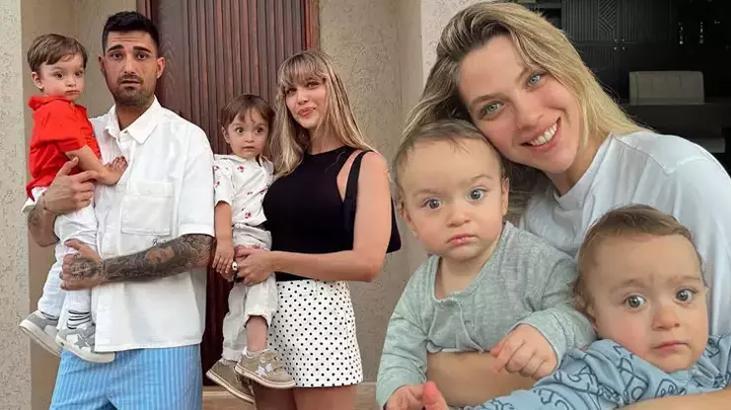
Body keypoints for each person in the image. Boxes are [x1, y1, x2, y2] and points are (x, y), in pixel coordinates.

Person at [403, 1, 731, 406]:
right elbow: (434, 366)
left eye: (535, 77)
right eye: (492, 107)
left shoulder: (679, 178)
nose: (528, 117)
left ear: (569, 66)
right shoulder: (511, 218)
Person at [25, 11, 214, 409]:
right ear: (101, 65)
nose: (129, 66)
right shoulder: (78, 134)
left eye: (141, 55)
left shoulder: (187, 141)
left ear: (158, 66)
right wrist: (49, 203)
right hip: (84, 346)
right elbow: (41, 234)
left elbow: (198, 248)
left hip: (161, 346)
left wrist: (103, 272)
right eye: (117, 54)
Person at [412, 205, 731, 410]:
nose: (668, 319)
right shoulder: (605, 369)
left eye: (684, 295)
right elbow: (540, 404)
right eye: (634, 301)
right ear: (592, 315)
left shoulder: (717, 354)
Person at [377, 120, 594, 409]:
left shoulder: (535, 262)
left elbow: (584, 313)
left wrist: (548, 329)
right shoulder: (419, 290)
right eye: (433, 204)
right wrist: (399, 391)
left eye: (476, 194)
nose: (458, 216)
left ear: (503, 195)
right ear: (409, 218)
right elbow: (399, 352)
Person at [231, 50, 396, 410]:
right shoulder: (283, 169)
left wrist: (273, 261)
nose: (300, 98)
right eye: (290, 91)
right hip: (268, 320)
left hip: (322, 318)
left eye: (311, 85)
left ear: (333, 88)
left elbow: (367, 264)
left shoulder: (365, 163)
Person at [19, 33, 127, 364]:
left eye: (78, 73)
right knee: (83, 247)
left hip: (56, 187)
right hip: (61, 188)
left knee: (67, 252)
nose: (71, 81)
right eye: (59, 74)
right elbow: (74, 149)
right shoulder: (55, 110)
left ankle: (47, 314)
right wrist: (105, 174)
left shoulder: (65, 109)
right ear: (38, 79)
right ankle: (76, 324)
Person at [205, 94, 294, 403]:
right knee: (261, 285)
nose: (249, 138)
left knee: (241, 297)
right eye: (240, 130)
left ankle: (230, 359)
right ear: (226, 133)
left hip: (262, 236)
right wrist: (224, 242)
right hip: (244, 236)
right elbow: (222, 204)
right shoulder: (225, 166)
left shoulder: (267, 167)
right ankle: (256, 353)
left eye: (258, 130)